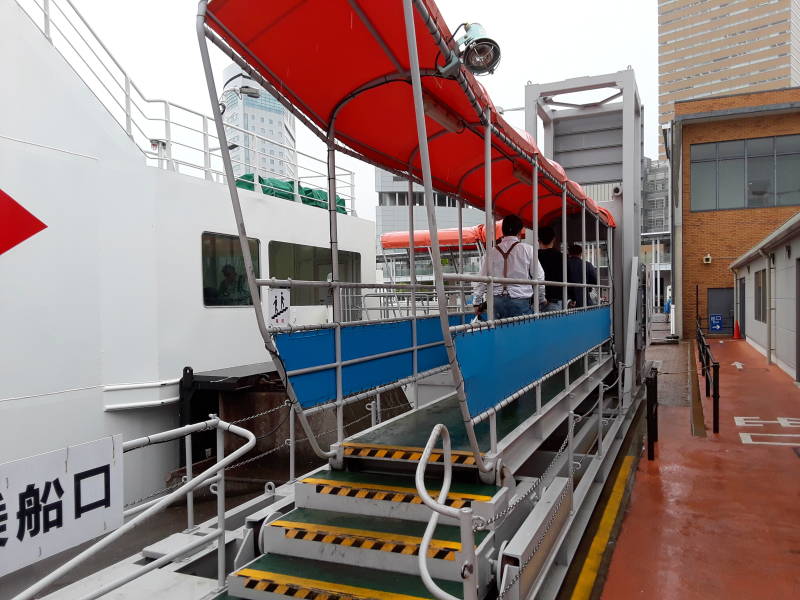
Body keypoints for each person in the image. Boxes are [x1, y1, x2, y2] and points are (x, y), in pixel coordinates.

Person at [473, 214, 545, 319]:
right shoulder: (528, 249)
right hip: (520, 300)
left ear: (503, 230)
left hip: (496, 301)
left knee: (498, 333)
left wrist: (476, 302)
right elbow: (539, 277)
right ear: (520, 231)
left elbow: (482, 279)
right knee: (522, 333)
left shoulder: (491, 252)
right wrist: (541, 299)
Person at [537, 226, 564, 312]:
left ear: (539, 240)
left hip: (535, 300)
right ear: (554, 239)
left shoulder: (534, 256)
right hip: (555, 299)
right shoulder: (562, 257)